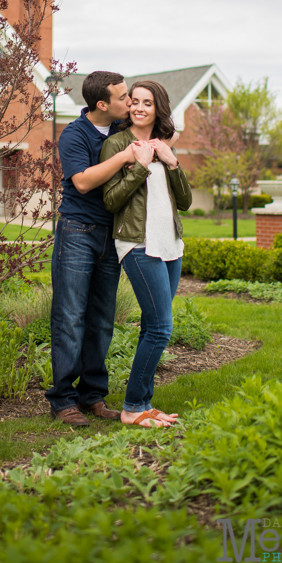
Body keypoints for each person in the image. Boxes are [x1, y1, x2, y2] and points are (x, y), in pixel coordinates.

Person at [45, 70, 138, 426]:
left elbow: (165, 125)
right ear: (102, 104)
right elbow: (82, 182)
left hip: (111, 235)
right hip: (78, 232)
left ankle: (92, 396)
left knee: (101, 318)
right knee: (70, 317)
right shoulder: (74, 134)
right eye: (123, 97)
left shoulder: (120, 128)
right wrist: (123, 156)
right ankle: (63, 400)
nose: (129, 102)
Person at [100, 79, 191, 428]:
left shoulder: (164, 145)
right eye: (134, 101)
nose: (138, 107)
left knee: (152, 327)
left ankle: (143, 403)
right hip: (137, 244)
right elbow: (111, 201)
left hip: (170, 244)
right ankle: (133, 407)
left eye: (147, 102)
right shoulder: (117, 145)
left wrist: (171, 162)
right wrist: (139, 164)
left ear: (158, 108)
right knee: (161, 329)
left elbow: (184, 201)